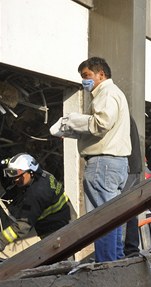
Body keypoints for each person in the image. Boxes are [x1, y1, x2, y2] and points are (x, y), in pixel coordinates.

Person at [53, 57, 131, 262]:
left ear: (101, 74)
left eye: (87, 76)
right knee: (113, 218)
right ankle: (115, 264)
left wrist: (75, 121)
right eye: (82, 77)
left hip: (102, 164)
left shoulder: (106, 93)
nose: (84, 81)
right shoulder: (114, 94)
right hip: (114, 163)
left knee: (101, 220)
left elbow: (101, 123)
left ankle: (106, 266)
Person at [0, 153, 70, 252]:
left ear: (31, 172)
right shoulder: (43, 175)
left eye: (19, 177)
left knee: (59, 257)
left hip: (54, 229)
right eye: (13, 176)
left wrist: (1, 240)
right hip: (66, 216)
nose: (15, 180)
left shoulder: (36, 193)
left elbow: (23, 225)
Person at [123, 117, 143, 257]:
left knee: (122, 210)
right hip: (133, 168)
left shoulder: (122, 117)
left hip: (128, 168)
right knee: (130, 211)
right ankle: (131, 249)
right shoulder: (127, 117)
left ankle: (128, 249)